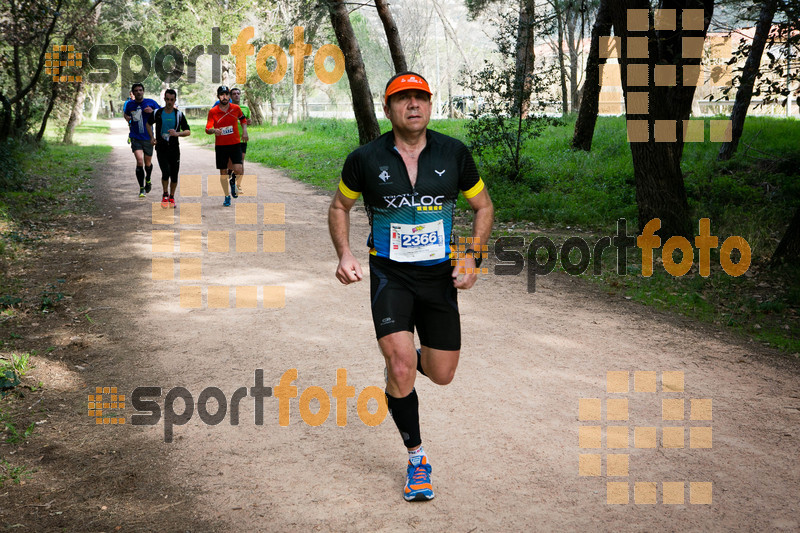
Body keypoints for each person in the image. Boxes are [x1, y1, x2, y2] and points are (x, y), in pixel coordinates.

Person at [328, 72, 494, 502]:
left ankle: (405, 355)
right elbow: (339, 207)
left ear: (430, 105)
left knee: (441, 374)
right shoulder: (364, 159)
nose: (413, 105)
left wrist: (473, 254)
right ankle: (417, 457)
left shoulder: (454, 154)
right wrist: (344, 254)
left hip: (439, 277)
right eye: (403, 99)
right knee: (401, 367)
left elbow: (483, 206)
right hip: (390, 274)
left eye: (420, 97)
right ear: (388, 109)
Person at [205, 86, 248, 207]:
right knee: (223, 172)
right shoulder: (213, 111)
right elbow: (207, 129)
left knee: (238, 169)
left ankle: (233, 182)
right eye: (222, 94)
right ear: (218, 96)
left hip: (235, 143)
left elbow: (243, 120)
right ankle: (226, 196)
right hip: (221, 146)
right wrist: (214, 131)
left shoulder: (236, 108)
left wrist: (245, 131)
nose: (224, 97)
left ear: (229, 96)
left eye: (226, 94)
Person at [153, 89, 191, 208]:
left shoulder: (178, 114)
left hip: (174, 149)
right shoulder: (157, 113)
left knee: (174, 175)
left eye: (172, 100)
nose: (169, 102)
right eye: (167, 99)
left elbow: (188, 131)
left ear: (175, 100)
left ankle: (172, 197)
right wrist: (151, 137)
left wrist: (177, 134)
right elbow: (148, 124)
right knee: (166, 172)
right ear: (164, 99)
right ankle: (165, 194)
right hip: (161, 148)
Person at [123, 83, 160, 198]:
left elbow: (161, 112)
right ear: (133, 93)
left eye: (140, 90)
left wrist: (152, 111)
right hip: (135, 137)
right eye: (136, 90)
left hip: (148, 137)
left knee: (147, 164)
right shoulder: (130, 104)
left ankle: (148, 179)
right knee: (140, 161)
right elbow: (125, 114)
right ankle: (141, 188)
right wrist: (127, 118)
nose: (138, 92)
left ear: (143, 91)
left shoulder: (151, 102)